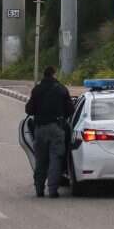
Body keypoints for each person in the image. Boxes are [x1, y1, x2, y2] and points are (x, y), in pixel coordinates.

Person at [25, 66, 74, 197]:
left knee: (40, 160)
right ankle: (52, 190)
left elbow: (29, 110)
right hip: (57, 128)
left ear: (44, 75)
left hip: (40, 129)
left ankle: (39, 190)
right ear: (54, 74)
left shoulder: (37, 89)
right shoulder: (62, 89)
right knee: (55, 159)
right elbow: (71, 110)